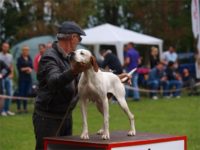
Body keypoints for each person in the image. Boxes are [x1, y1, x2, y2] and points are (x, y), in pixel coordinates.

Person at [32, 21, 132, 150]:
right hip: (48, 118)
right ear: (73, 37)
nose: (78, 41)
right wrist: (74, 71)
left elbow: (93, 72)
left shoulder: (71, 57)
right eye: (79, 38)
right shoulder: (49, 57)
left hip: (66, 116)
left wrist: (117, 78)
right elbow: (53, 82)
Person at [16, 45, 33, 113]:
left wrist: (30, 70)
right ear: (22, 51)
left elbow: (32, 67)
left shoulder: (29, 58)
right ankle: (19, 108)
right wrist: (27, 68)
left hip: (28, 78)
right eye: (25, 50)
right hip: (22, 78)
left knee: (26, 93)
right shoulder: (19, 59)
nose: (26, 51)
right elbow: (19, 68)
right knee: (21, 93)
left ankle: (25, 108)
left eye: (27, 50)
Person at [0, 42, 15, 116]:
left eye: (7, 47)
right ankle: (2, 110)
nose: (5, 48)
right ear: (2, 47)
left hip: (8, 77)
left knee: (9, 93)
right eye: (4, 47)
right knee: (3, 94)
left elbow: (11, 66)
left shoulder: (10, 56)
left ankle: (7, 109)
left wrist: (12, 74)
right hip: (1, 77)